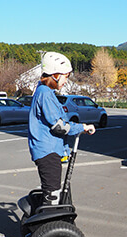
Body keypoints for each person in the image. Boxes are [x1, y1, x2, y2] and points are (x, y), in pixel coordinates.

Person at [28, 52, 95, 205]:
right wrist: (81, 127)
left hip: (49, 150)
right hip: (47, 151)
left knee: (53, 190)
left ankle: (48, 225)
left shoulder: (45, 91)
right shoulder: (45, 93)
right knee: (52, 195)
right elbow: (58, 126)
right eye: (65, 76)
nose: (66, 80)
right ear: (55, 75)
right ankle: (47, 227)